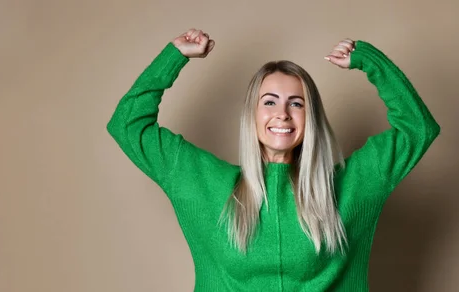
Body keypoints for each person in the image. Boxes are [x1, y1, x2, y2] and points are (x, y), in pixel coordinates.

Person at [106, 28, 440, 291]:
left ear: (311, 117)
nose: (282, 113)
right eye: (269, 102)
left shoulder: (351, 186)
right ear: (251, 114)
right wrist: (174, 56)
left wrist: (370, 61)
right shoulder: (204, 182)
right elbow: (127, 124)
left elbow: (418, 128)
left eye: (296, 103)